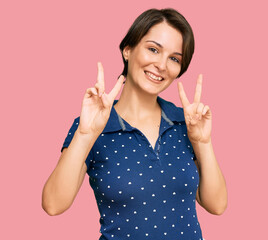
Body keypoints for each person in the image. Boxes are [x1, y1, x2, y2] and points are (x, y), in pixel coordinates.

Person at [42, 8, 227, 239]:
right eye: (153, 49)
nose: (161, 65)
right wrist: (86, 134)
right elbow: (53, 204)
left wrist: (203, 142)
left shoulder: (187, 122)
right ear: (127, 50)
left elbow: (217, 205)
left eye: (174, 58)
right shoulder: (92, 124)